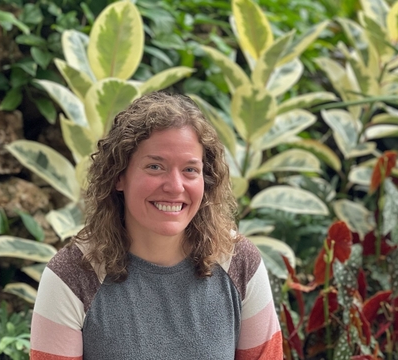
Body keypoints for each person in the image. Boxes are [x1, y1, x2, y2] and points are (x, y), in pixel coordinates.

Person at [30, 91, 282, 359]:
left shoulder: (239, 263)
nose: (175, 186)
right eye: (154, 167)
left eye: (190, 170)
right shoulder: (72, 276)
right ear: (119, 177)